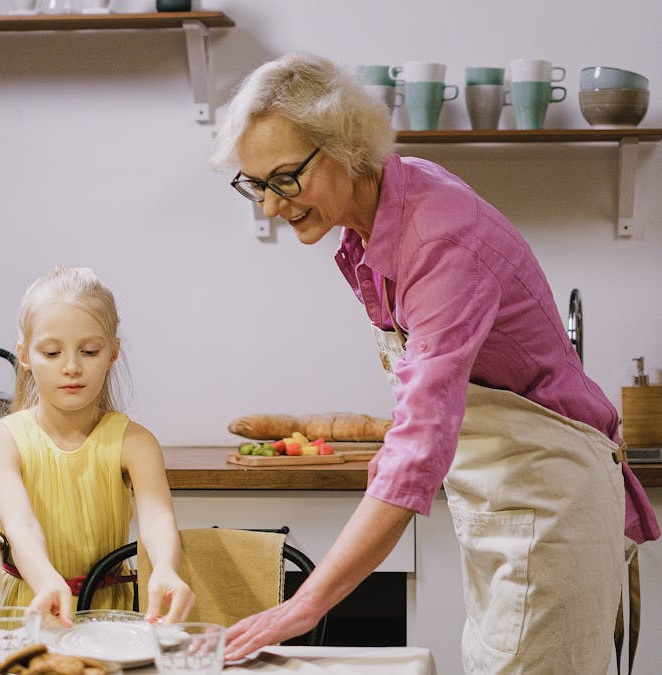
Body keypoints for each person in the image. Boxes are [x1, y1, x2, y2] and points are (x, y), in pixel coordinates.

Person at [211, 52, 659, 673]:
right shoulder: (371, 225)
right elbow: (421, 401)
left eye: (284, 178)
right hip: (506, 506)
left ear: (345, 144)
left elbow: (421, 446)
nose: (270, 206)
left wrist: (304, 606)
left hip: (549, 507)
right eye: (256, 184)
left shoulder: (438, 236)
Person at [0, 265, 195, 626]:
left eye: (89, 351)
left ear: (113, 353)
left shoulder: (135, 442)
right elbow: (20, 524)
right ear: (25, 356)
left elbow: (157, 517)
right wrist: (47, 580)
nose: (72, 367)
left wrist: (167, 569)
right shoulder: (0, 442)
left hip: (107, 612)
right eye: (52, 353)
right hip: (23, 608)